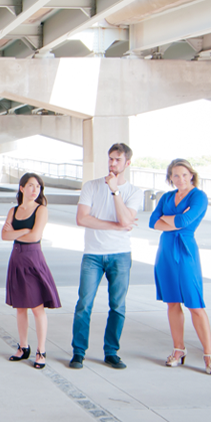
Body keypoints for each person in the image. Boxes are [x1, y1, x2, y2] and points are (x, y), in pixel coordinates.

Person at [69, 143, 142, 370]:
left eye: (118, 160)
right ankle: (78, 352)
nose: (112, 164)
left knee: (117, 306)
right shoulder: (90, 186)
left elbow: (127, 220)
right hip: (92, 255)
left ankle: (111, 352)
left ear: (127, 163)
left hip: (120, 255)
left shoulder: (134, 192)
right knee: (84, 304)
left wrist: (115, 191)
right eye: (110, 159)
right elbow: (82, 219)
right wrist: (117, 225)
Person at [150, 159, 211, 375]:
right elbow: (152, 222)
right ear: (170, 178)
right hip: (165, 252)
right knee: (172, 303)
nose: (181, 179)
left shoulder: (199, 196)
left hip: (186, 251)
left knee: (195, 304)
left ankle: (208, 354)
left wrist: (168, 220)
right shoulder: (167, 196)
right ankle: (178, 350)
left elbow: (184, 222)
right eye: (176, 175)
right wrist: (174, 219)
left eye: (184, 174)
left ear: (192, 175)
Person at [1, 173, 61, 369]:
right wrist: (22, 232)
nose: (35, 190)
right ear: (21, 188)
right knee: (20, 307)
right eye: (31, 186)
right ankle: (23, 347)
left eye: (38, 187)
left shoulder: (41, 210)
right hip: (16, 259)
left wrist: (17, 234)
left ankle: (41, 350)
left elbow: (35, 236)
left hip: (33, 259)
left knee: (37, 307)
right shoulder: (14, 210)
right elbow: (4, 235)